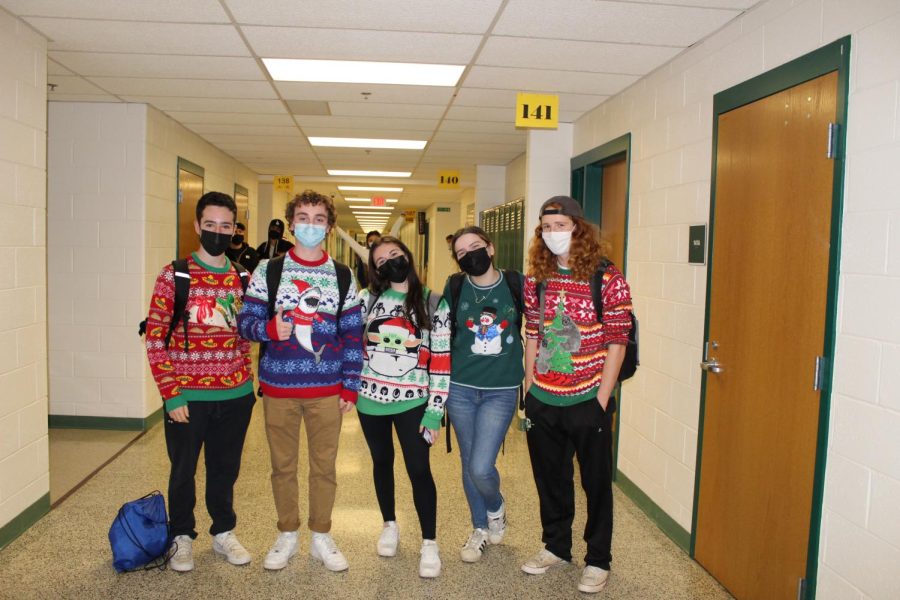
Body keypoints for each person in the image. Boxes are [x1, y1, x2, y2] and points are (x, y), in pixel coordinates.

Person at [237, 190, 363, 573]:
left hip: (327, 391)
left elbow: (353, 334)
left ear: (329, 226)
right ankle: (287, 532)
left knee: (324, 466)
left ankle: (321, 534)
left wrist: (350, 385)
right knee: (282, 465)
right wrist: (270, 328)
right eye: (303, 217)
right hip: (279, 390)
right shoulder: (269, 271)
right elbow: (245, 325)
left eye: (319, 218)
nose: (310, 225)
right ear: (291, 223)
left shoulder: (343, 276)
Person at [520, 196, 633, 594]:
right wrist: (529, 387)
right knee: (550, 479)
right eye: (546, 227)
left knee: (595, 483)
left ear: (579, 229)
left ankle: (598, 559)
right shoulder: (538, 275)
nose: (552, 234)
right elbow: (532, 332)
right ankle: (556, 547)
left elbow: (619, 341)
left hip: (588, 398)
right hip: (544, 398)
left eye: (560, 226)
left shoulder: (607, 277)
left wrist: (601, 399)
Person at [144, 191, 256, 572]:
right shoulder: (174, 275)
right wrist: (171, 395)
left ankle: (223, 531)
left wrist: (248, 385)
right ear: (197, 226)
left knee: (225, 469)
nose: (218, 232)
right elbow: (156, 339)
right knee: (183, 470)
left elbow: (246, 336)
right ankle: (182, 535)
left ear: (235, 229)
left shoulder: (244, 277)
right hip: (187, 398)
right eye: (210, 225)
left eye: (226, 226)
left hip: (236, 395)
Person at [357, 236, 450, 578]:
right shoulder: (367, 299)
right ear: (375, 269)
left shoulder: (433, 301)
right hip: (369, 401)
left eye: (394, 254)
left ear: (407, 256)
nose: (390, 262)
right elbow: (351, 344)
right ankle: (389, 524)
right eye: (381, 260)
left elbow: (441, 361)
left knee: (418, 469)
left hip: (414, 402)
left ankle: (429, 542)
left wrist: (435, 411)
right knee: (382, 462)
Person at [443, 226, 524, 563]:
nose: (470, 255)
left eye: (475, 247)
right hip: (459, 388)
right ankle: (479, 528)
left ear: (491, 248)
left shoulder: (517, 284)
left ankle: (495, 506)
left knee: (481, 465)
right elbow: (440, 330)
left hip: (501, 390)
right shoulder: (456, 286)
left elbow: (534, 331)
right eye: (462, 253)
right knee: (468, 461)